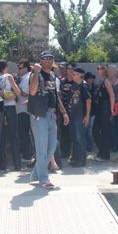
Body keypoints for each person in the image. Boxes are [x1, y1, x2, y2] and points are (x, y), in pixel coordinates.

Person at [28, 51, 69, 189]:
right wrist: (35, 73)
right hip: (40, 115)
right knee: (42, 149)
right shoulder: (35, 74)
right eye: (44, 58)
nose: (47, 60)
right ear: (40, 60)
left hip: (51, 114)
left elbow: (55, 96)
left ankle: (36, 173)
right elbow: (32, 91)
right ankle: (43, 179)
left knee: (51, 148)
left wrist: (64, 112)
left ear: (53, 61)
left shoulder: (52, 75)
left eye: (50, 58)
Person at [0, 60, 22, 172]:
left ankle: (2, 164)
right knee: (14, 136)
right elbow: (18, 92)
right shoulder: (8, 76)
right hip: (10, 107)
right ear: (4, 67)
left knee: (1, 137)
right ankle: (17, 164)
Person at [66, 67, 92, 167]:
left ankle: (81, 160)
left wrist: (87, 116)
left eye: (74, 74)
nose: (72, 75)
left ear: (80, 76)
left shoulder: (83, 86)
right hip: (73, 115)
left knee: (80, 138)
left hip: (80, 116)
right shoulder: (74, 85)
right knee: (74, 138)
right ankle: (75, 158)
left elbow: (88, 101)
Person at [93, 64, 115, 162]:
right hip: (100, 108)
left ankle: (105, 154)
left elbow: (112, 95)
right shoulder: (101, 81)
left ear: (104, 70)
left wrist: (111, 109)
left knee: (105, 131)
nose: (98, 70)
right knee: (95, 130)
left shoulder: (106, 81)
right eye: (98, 68)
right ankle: (102, 151)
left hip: (105, 108)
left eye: (100, 68)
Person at [16, 61, 34, 161]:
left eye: (21, 68)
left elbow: (25, 93)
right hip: (22, 108)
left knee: (24, 133)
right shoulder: (24, 77)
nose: (19, 70)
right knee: (24, 133)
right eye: (18, 68)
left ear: (26, 68)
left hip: (25, 109)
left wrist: (15, 86)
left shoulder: (27, 77)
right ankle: (27, 154)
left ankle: (27, 155)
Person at [84, 72, 96, 153]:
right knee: (86, 129)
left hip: (93, 112)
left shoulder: (95, 87)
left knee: (90, 130)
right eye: (90, 78)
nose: (92, 79)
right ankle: (86, 145)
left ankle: (90, 146)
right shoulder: (84, 87)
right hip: (86, 112)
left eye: (92, 78)